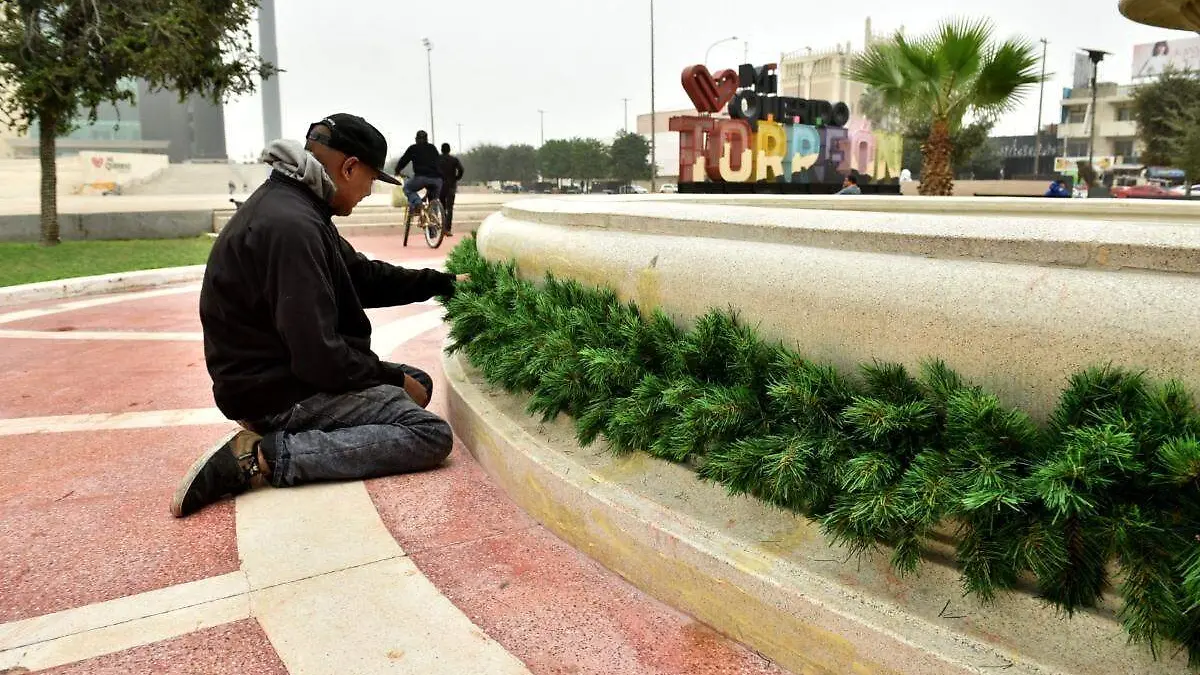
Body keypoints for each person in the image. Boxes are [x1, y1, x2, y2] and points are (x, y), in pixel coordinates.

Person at [173, 113, 468, 518]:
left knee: (418, 383)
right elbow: (319, 358)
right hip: (275, 392)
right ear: (349, 168)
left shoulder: (298, 206)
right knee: (428, 433)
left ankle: (292, 435)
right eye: (369, 180)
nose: (367, 193)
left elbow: (363, 277)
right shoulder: (292, 226)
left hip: (281, 374)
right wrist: (389, 377)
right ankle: (260, 457)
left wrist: (444, 283)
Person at [394, 130, 443, 222]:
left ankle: (417, 203)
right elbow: (439, 162)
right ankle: (433, 230)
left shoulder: (413, 148)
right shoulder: (432, 148)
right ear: (426, 139)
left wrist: (397, 170)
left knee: (407, 188)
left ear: (416, 139)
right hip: (437, 180)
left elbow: (403, 160)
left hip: (421, 177)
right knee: (433, 201)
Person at [437, 143, 465, 237]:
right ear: (449, 150)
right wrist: (456, 178)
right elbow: (461, 170)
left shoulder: (437, 159)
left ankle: (441, 227)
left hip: (440, 186)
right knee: (450, 208)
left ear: (441, 150)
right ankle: (447, 229)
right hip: (451, 186)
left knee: (442, 207)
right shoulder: (454, 160)